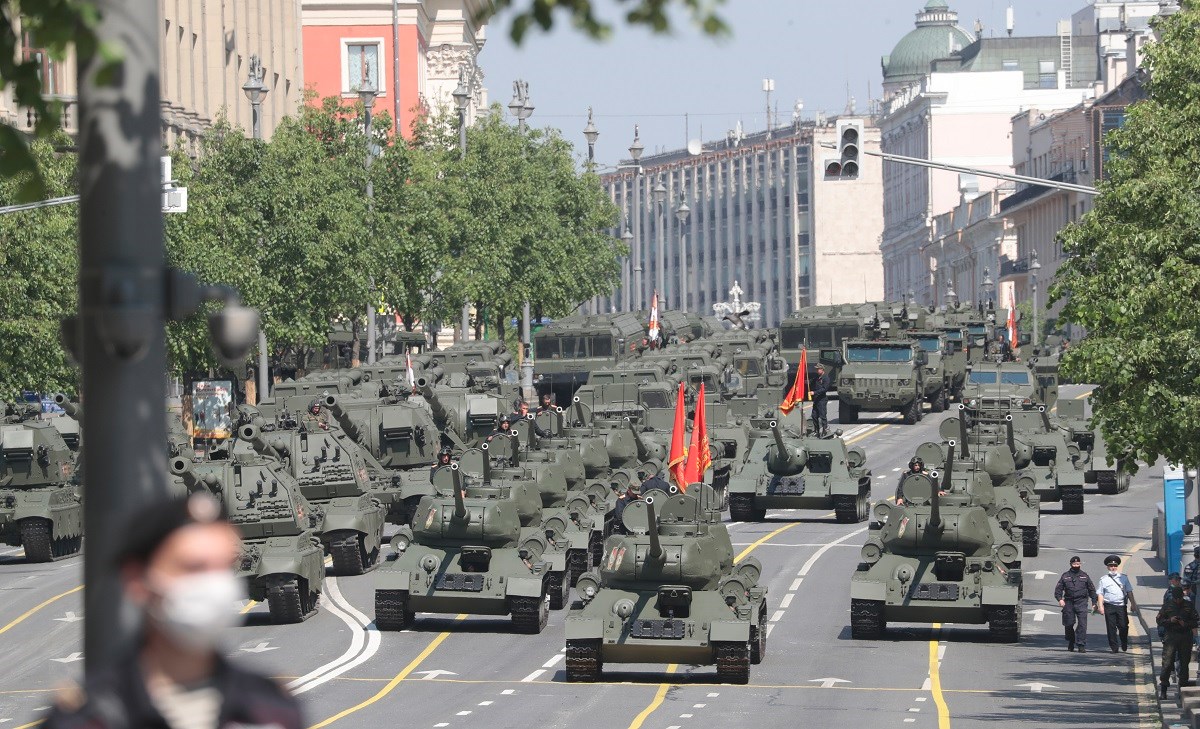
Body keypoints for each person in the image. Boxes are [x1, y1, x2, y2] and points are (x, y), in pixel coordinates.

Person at [43, 493, 303, 729]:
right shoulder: (88, 719)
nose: (214, 585)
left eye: (223, 566)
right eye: (193, 567)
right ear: (137, 580)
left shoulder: (270, 710)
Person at [1158, 586, 1200, 698]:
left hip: (1185, 636)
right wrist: (1169, 620)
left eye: (1179, 598)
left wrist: (1185, 624)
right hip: (1171, 635)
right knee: (1167, 662)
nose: (1178, 600)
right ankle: (1163, 689)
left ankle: (1183, 687)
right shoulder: (1167, 605)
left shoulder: (1188, 606)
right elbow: (1159, 620)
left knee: (1184, 662)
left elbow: (1195, 621)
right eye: (1176, 598)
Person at [1054, 555, 1100, 652]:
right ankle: (1071, 640)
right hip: (1069, 602)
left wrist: (1094, 603)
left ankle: (1081, 644)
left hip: (1081, 602)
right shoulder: (1065, 576)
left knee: (1082, 624)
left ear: (1080, 564)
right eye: (1074, 564)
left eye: (1078, 564)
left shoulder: (1085, 576)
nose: (1076, 565)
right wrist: (1060, 599)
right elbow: (1058, 590)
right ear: (1071, 564)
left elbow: (1092, 590)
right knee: (1069, 623)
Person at [1098, 554, 1137, 653]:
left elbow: (1129, 592)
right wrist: (1100, 606)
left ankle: (1124, 641)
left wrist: (1133, 604)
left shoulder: (1123, 578)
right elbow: (1100, 593)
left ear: (1117, 566)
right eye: (1111, 566)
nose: (1113, 568)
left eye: (1115, 566)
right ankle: (1114, 646)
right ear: (1107, 567)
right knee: (1111, 628)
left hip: (1121, 606)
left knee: (1123, 626)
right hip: (1109, 605)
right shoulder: (1103, 579)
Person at [812, 364, 832, 437]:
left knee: (822, 415)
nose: (817, 370)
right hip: (816, 399)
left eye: (818, 369)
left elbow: (824, 389)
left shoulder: (826, 378)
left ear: (822, 369)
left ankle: (825, 429)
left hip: (822, 399)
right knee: (814, 415)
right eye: (816, 369)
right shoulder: (817, 378)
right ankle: (816, 431)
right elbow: (812, 383)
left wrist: (815, 392)